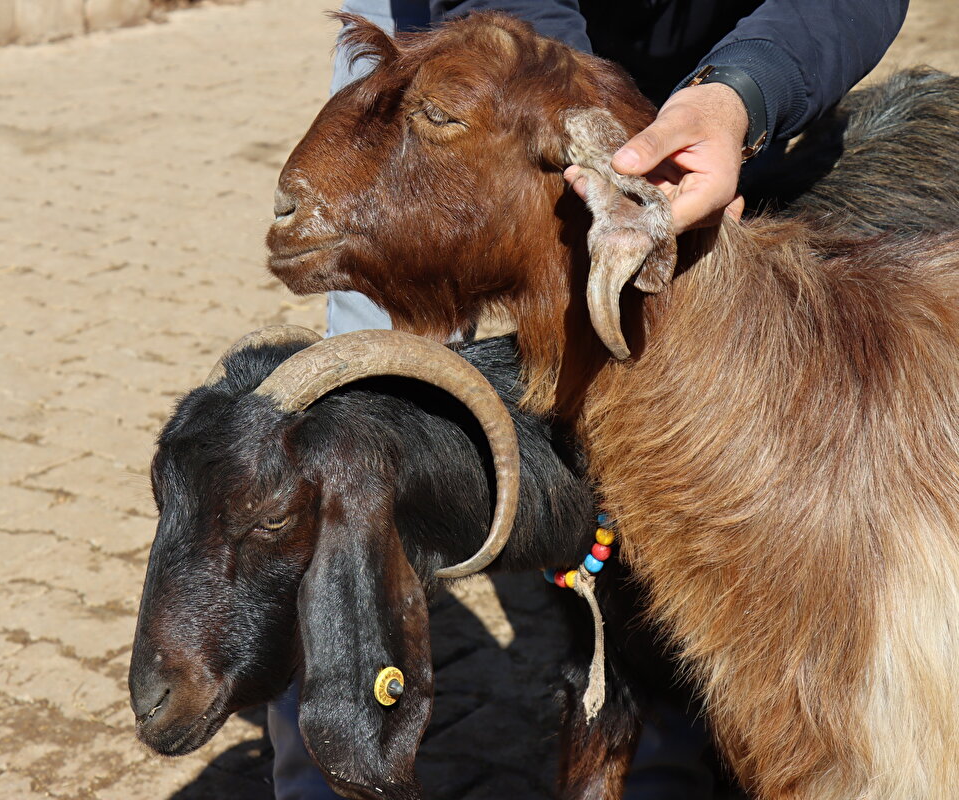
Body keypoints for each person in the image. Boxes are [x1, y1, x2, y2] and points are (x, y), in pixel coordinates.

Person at [270, 1, 909, 797]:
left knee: (686, 387)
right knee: (363, 411)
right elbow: (502, 56)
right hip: (463, 37)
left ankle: (665, 758)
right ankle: (321, 764)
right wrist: (541, 104)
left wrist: (738, 92)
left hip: (719, 41)